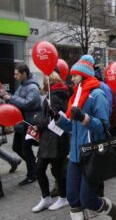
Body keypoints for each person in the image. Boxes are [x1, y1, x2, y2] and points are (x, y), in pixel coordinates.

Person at [56, 55, 116, 220]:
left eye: (74, 75)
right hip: (75, 155)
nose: (71, 78)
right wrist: (57, 120)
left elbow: (103, 127)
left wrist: (84, 118)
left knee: (88, 199)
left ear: (84, 74)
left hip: (91, 154)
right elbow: (74, 128)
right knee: (73, 197)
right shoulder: (76, 95)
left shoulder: (98, 94)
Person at [31, 71, 70, 212]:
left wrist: (37, 120)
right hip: (49, 139)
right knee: (41, 169)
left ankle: (63, 198)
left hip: (55, 140)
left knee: (56, 171)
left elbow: (53, 118)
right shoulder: (56, 94)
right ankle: (46, 197)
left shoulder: (55, 96)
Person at [1, 65, 41, 186]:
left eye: (17, 74)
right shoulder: (23, 86)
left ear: (24, 74)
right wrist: (7, 96)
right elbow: (17, 100)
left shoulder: (33, 87)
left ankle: (32, 174)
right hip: (21, 123)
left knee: (26, 149)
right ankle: (34, 167)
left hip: (29, 123)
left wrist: (10, 97)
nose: (15, 76)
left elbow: (28, 104)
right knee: (16, 147)